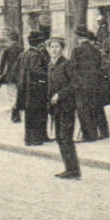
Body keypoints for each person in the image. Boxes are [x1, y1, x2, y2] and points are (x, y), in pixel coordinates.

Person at [46, 36, 81, 180]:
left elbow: (75, 84)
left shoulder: (67, 64)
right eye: (51, 47)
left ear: (62, 49)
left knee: (65, 137)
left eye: (57, 47)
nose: (54, 50)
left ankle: (73, 170)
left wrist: (60, 95)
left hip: (66, 106)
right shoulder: (51, 65)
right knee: (60, 138)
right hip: (56, 107)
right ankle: (69, 168)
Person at [70, 27, 110, 141]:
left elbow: (73, 69)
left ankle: (90, 134)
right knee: (97, 107)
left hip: (82, 85)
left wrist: (75, 83)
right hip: (95, 83)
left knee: (84, 110)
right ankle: (104, 132)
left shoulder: (76, 51)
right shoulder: (95, 50)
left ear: (79, 38)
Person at [14, 30, 51, 146]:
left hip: (24, 89)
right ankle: (37, 138)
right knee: (39, 113)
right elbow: (36, 70)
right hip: (36, 89)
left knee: (29, 114)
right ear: (39, 43)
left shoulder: (23, 54)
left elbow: (15, 70)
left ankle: (29, 138)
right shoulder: (36, 55)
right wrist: (48, 74)